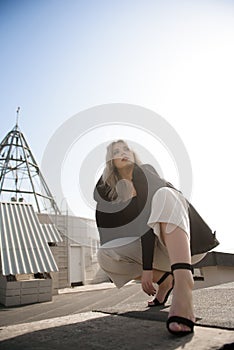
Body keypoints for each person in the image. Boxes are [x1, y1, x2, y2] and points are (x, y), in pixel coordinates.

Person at [93, 140, 219, 336]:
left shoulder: (146, 173)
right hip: (158, 254)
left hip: (184, 245)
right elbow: (107, 234)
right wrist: (149, 270)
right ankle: (165, 280)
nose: (123, 153)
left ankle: (183, 283)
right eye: (116, 151)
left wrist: (146, 270)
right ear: (111, 161)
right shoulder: (110, 194)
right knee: (105, 254)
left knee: (164, 194)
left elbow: (147, 224)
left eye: (126, 148)